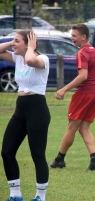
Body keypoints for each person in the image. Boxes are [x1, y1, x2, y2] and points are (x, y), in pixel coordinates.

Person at [0, 30, 51, 201]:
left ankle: (40, 197)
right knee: (7, 151)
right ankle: (15, 195)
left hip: (37, 111)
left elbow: (30, 60)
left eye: (16, 41)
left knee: (37, 155)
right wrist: (12, 43)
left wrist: (31, 47)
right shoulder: (18, 57)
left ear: (28, 43)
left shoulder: (43, 59)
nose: (13, 44)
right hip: (20, 110)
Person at [49, 23, 95, 171]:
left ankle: (59, 159)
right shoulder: (94, 51)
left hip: (84, 93)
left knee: (71, 127)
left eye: (74, 36)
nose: (71, 38)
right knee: (84, 127)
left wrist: (64, 89)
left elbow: (83, 76)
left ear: (83, 37)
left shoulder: (82, 53)